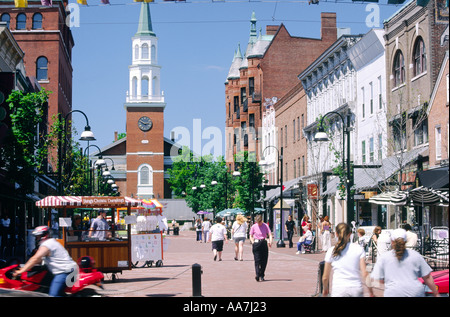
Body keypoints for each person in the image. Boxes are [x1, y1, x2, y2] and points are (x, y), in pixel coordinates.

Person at [371, 228, 438, 297]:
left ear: (392, 241)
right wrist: (436, 293)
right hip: (415, 292)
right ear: (405, 241)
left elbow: (378, 279)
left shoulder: (384, 257)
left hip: (393, 293)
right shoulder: (415, 255)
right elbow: (427, 277)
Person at [13, 226, 77, 297]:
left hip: (65, 272)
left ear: (43, 236)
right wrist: (23, 267)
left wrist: (21, 271)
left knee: (53, 295)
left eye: (37, 236)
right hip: (62, 271)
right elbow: (39, 261)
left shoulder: (47, 245)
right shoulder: (50, 242)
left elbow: (35, 259)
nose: (36, 239)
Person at [322, 223, 372, 297]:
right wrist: (371, 291)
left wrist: (325, 289)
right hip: (356, 288)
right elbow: (365, 273)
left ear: (336, 234)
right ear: (350, 234)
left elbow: (325, 277)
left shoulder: (331, 251)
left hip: (339, 289)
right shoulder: (358, 249)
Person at [249, 215, 273, 282]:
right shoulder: (254, 226)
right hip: (256, 243)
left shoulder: (265, 225)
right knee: (257, 260)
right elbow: (251, 235)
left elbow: (270, 234)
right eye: (257, 222)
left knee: (264, 260)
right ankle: (257, 274)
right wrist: (253, 242)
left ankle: (262, 274)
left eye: (260, 222)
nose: (259, 223)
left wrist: (270, 241)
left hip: (263, 242)